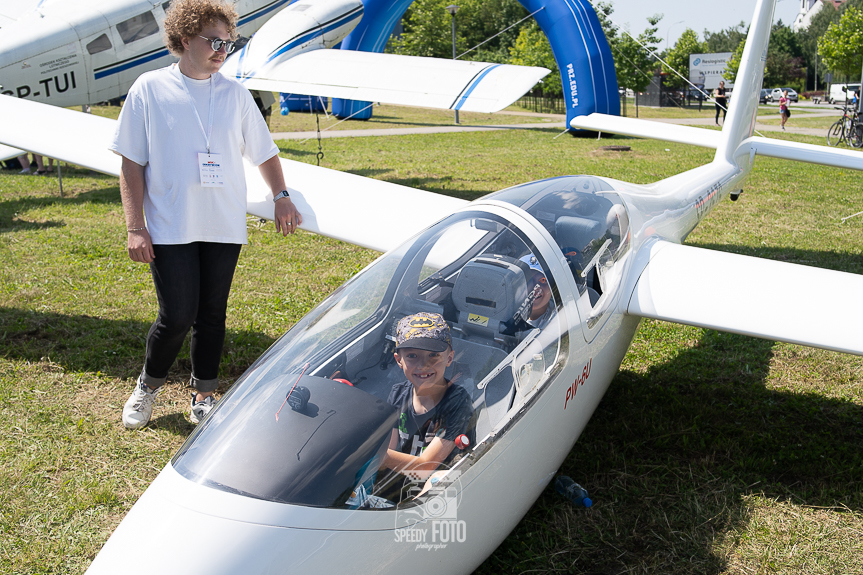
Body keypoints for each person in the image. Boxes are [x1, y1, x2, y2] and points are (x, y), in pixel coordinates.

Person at [112, 0, 301, 430]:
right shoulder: (149, 88)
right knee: (177, 314)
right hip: (169, 224)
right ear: (183, 40)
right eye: (214, 41)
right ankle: (148, 385)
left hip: (223, 223)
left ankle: (204, 392)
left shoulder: (234, 95)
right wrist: (135, 226)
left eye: (229, 43)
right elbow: (130, 164)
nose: (222, 51)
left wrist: (282, 196)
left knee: (213, 314)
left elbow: (265, 152)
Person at [382, 313, 472, 481]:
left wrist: (374, 456)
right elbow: (390, 448)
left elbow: (425, 468)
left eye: (433, 355)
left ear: (449, 358)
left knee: (436, 479)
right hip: (400, 477)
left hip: (436, 487)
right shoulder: (398, 393)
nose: (423, 365)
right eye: (412, 356)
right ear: (398, 360)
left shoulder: (458, 402)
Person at [519, 254, 553, 329]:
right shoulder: (504, 316)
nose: (535, 287)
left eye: (543, 280)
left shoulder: (561, 318)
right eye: (527, 281)